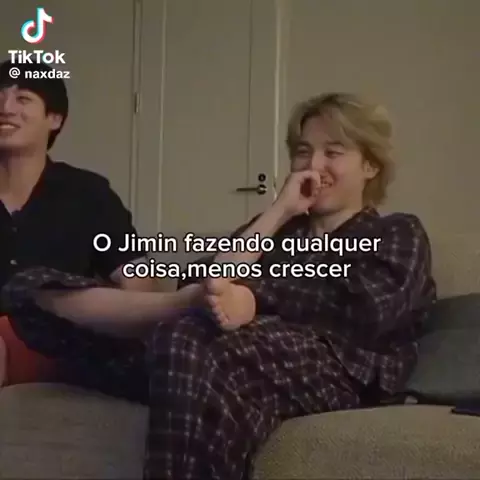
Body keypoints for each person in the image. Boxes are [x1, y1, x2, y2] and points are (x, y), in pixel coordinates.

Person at [1, 92, 436, 479]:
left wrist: (253, 298)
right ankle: (157, 320)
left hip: (338, 366)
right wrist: (279, 212)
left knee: (185, 335)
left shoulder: (397, 232)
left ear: (370, 165)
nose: (313, 165)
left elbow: (371, 309)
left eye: (333, 152)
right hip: (215, 348)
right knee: (31, 289)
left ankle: (166, 326)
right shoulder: (274, 230)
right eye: (303, 152)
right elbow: (202, 280)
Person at [0, 60, 156, 386]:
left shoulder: (87, 193)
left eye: (23, 98)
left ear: (54, 119)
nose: (5, 108)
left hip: (53, 343)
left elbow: (137, 280)